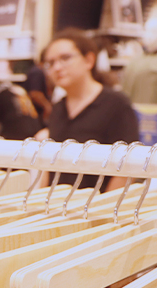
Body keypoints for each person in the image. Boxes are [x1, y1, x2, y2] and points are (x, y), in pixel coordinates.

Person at [40, 29, 140, 191]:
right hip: (58, 203)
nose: (57, 67)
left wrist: (105, 205)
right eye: (50, 63)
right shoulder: (58, 108)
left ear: (89, 60)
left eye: (65, 58)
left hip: (97, 203)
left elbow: (128, 167)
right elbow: (49, 163)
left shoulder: (116, 104)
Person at [24, 49, 53, 126]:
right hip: (35, 113)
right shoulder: (37, 72)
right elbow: (35, 93)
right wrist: (47, 107)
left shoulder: (38, 71)